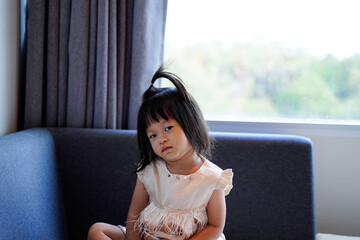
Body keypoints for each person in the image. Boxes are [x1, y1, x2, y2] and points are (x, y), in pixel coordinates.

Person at [88, 66, 233, 240]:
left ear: (192, 125)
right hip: (149, 236)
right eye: (153, 135)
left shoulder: (212, 178)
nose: (161, 139)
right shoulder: (149, 171)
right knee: (97, 230)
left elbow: (215, 226)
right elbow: (134, 219)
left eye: (168, 128)